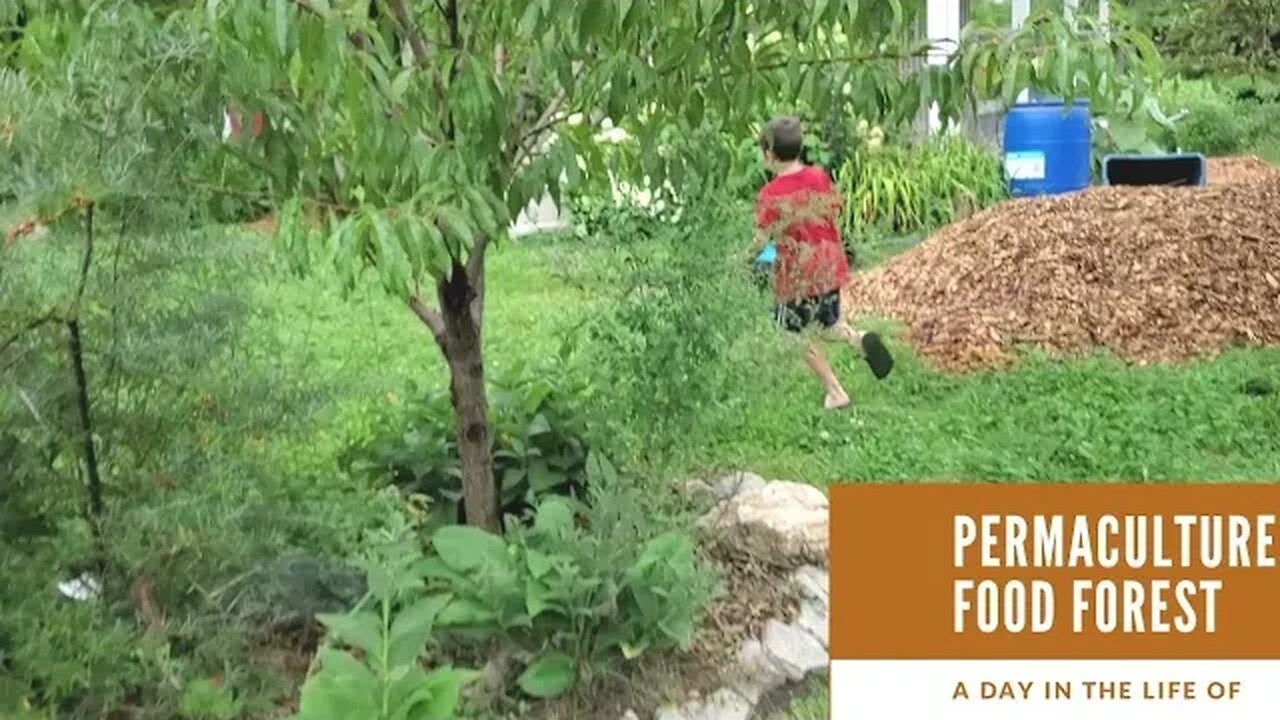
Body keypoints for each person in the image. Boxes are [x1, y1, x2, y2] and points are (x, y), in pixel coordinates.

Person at [749, 116, 894, 410]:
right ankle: (858, 338)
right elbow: (832, 210)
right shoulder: (819, 177)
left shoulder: (769, 195)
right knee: (829, 325)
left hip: (797, 276)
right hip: (828, 265)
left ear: (769, 153)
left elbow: (763, 241)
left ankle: (835, 391)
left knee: (792, 333)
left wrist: (748, 257)